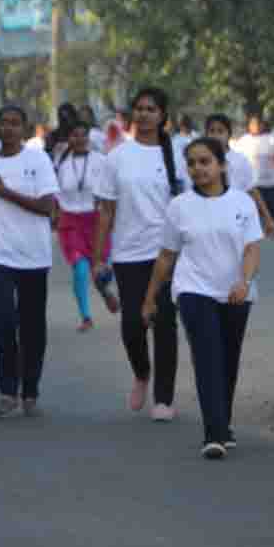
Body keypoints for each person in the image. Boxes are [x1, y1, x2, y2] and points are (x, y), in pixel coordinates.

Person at [141, 137, 262, 460]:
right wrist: (150, 298)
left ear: (221, 165)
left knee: (228, 359)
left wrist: (244, 281)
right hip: (193, 290)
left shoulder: (242, 203)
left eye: (205, 161)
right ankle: (215, 433)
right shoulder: (179, 206)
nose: (198, 168)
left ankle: (224, 424)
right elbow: (167, 256)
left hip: (237, 291)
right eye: (192, 163)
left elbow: (252, 249)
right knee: (207, 354)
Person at [93, 87, 186, 421]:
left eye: (152, 108)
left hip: (168, 252)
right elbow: (105, 210)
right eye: (140, 108)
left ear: (163, 115)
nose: (145, 114)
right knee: (133, 323)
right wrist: (97, 257)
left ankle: (163, 398)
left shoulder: (177, 152)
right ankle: (142, 373)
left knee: (164, 323)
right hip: (128, 252)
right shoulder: (117, 156)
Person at [0, 105, 60, 418]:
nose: (8, 129)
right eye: (3, 123)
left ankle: (30, 389)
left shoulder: (38, 159)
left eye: (14, 123)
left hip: (34, 255)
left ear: (24, 128)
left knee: (32, 325)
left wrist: (4, 192)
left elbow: (48, 207)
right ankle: (7, 391)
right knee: (4, 318)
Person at [53, 119, 117, 332]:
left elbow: (110, 190)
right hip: (70, 221)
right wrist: (55, 215)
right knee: (80, 268)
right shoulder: (61, 162)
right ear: (69, 138)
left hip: (96, 219)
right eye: (75, 135)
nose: (79, 139)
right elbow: (56, 193)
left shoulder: (101, 160)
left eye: (83, 135)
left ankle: (105, 290)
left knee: (101, 270)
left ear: (88, 137)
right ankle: (86, 316)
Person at [230, 112, 274, 223]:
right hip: (252, 182)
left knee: (269, 206)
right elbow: (234, 154)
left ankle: (270, 225)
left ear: (263, 125)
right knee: (252, 207)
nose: (255, 126)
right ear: (249, 125)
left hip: (268, 182)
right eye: (253, 124)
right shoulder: (244, 140)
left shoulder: (271, 139)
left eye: (258, 124)